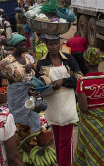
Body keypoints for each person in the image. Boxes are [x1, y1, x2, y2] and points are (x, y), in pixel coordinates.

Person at [33, 35, 82, 166]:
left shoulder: (69, 59)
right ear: (46, 45)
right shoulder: (42, 63)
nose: (54, 47)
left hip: (67, 101)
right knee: (57, 138)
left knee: (66, 140)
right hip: (52, 103)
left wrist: (64, 81)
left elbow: (79, 77)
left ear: (60, 44)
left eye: (56, 43)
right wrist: (33, 90)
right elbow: (36, 83)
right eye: (51, 44)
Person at [73, 48, 104, 166]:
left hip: (89, 126)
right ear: (99, 62)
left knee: (91, 149)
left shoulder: (82, 82)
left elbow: (84, 108)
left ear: (86, 63)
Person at [0, 34, 40, 144]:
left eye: (24, 45)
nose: (24, 47)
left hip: (28, 89)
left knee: (32, 113)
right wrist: (8, 77)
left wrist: (30, 66)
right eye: (21, 45)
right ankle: (18, 141)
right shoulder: (8, 60)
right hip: (16, 92)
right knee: (18, 116)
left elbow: (30, 69)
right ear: (15, 46)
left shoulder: (25, 57)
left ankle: (31, 139)